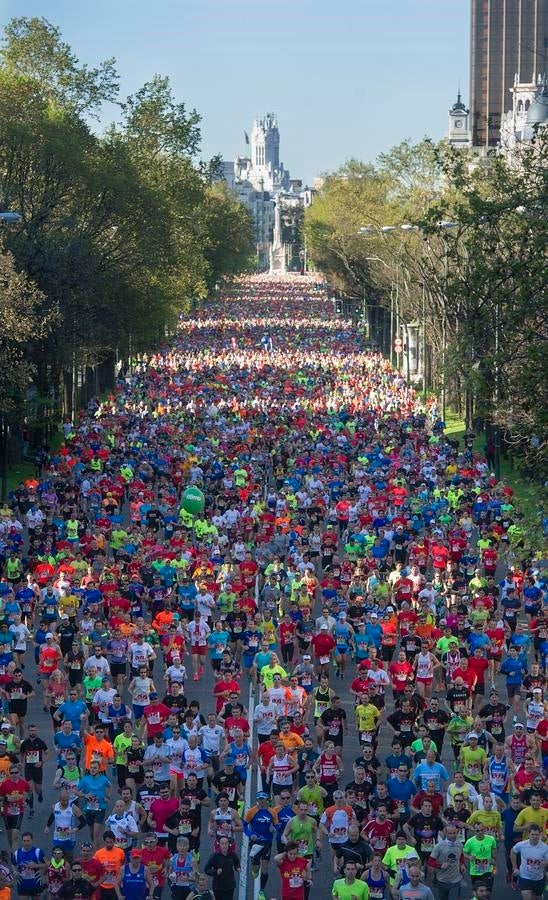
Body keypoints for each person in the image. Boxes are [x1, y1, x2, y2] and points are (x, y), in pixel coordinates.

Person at [427, 822, 465, 900]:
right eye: (450, 833)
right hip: (442, 880)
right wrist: (440, 866)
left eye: (454, 833)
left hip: (456, 879)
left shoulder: (460, 845)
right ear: (446, 833)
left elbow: (461, 856)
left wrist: (462, 864)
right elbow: (430, 861)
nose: (452, 835)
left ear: (457, 832)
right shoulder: (439, 846)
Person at [510, 823, 548, 899]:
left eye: (537, 835)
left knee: (537, 898)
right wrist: (515, 867)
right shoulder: (522, 845)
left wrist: (544, 863)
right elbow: (513, 852)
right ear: (529, 834)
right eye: (532, 834)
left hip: (538, 878)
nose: (534, 837)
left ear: (540, 834)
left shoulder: (544, 847)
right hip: (524, 877)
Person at [203, 835, 240, 900]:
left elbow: (237, 863)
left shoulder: (232, 854)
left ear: (229, 844)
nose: (224, 845)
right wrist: (216, 871)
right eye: (222, 843)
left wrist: (237, 868)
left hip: (230, 886)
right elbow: (206, 869)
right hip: (218, 887)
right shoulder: (214, 856)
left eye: (226, 843)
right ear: (219, 845)